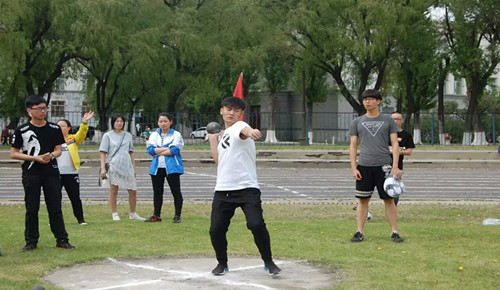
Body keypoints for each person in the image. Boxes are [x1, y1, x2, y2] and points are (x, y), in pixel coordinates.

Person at [207, 97, 281, 276]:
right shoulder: (224, 134)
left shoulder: (239, 127)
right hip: (223, 189)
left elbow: (244, 130)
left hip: (247, 188)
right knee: (216, 229)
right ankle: (222, 263)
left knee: (256, 224)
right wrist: (212, 139)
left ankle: (268, 261)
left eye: (236, 110)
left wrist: (251, 131)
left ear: (241, 114)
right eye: (228, 109)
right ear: (221, 110)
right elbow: (219, 161)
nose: (231, 112)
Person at [10, 95, 75, 251]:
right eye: (38, 108)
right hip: (31, 172)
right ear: (29, 111)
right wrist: (35, 158)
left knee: (55, 206)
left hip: (51, 171)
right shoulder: (22, 130)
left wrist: (51, 156)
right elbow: (14, 153)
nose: (42, 111)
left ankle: (62, 239)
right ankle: (31, 240)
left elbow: (59, 149)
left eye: (45, 108)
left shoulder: (54, 128)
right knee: (32, 207)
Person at [349, 89, 403, 243]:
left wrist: (395, 167)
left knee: (389, 200)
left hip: (384, 166)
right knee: (363, 200)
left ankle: (394, 231)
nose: (368, 102)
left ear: (378, 101)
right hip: (364, 166)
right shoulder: (357, 122)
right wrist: (354, 168)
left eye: (371, 99)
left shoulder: (388, 120)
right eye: (365, 99)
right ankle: (359, 231)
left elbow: (394, 143)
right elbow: (353, 146)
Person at [99, 113, 145, 221]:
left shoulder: (128, 135)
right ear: (113, 123)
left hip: (126, 165)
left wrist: (134, 167)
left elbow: (131, 152)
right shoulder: (107, 136)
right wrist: (103, 168)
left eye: (121, 121)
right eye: (117, 121)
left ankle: (133, 213)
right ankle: (114, 213)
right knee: (114, 189)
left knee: (132, 190)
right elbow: (103, 153)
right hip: (114, 165)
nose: (119, 123)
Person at [56, 111, 95, 225]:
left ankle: (80, 219)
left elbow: (82, 133)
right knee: (55, 198)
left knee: (75, 197)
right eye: (58, 126)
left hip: (71, 173)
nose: (60, 128)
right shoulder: (53, 139)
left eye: (62, 126)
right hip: (56, 173)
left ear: (68, 128)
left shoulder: (73, 139)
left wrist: (85, 122)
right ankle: (55, 219)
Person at [145, 113, 184, 223]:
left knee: (175, 191)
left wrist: (159, 150)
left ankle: (177, 215)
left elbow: (174, 150)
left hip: (172, 167)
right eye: (161, 121)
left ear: (170, 122)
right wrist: (166, 149)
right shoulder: (154, 135)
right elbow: (150, 150)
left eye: (165, 121)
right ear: (158, 122)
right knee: (157, 192)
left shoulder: (176, 135)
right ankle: (156, 215)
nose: (163, 123)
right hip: (157, 167)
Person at [389, 111, 415, 206]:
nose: (395, 121)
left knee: (395, 188)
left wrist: (399, 151)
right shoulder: (385, 133)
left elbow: (409, 151)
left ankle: (393, 207)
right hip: (383, 164)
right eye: (393, 119)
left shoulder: (406, 135)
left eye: (397, 119)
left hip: (398, 165)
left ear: (402, 120)